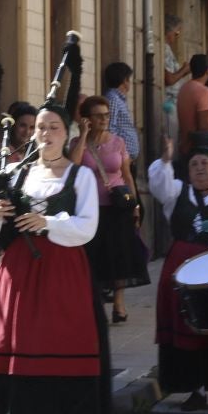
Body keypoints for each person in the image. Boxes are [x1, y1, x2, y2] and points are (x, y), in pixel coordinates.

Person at [0, 98, 104, 414]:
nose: (44, 134)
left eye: (52, 128)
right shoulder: (17, 173)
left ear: (67, 134)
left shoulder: (81, 176)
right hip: (21, 270)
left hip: (62, 269)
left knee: (62, 341)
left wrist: (48, 222)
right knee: (27, 345)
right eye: (39, 127)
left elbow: (87, 227)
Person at [148, 140, 208, 411]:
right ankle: (196, 390)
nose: (199, 169)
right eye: (194, 164)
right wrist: (165, 160)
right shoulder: (176, 192)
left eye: (205, 164)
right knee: (188, 326)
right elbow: (158, 184)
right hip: (182, 267)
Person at [73, 94, 150, 324]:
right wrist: (84, 135)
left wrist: (135, 206)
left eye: (106, 115)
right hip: (90, 208)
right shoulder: (77, 144)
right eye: (98, 116)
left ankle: (119, 303)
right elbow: (72, 169)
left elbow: (127, 175)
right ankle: (97, 303)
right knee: (95, 257)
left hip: (118, 207)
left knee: (120, 256)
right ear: (87, 119)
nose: (104, 120)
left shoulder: (117, 142)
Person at [175, 53, 208, 158]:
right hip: (198, 148)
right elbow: (203, 126)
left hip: (183, 146)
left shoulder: (184, 88)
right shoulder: (204, 91)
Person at [102, 61, 142, 167]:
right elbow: (110, 127)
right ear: (125, 80)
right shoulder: (113, 98)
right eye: (128, 79)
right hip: (120, 159)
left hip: (126, 159)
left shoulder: (119, 99)